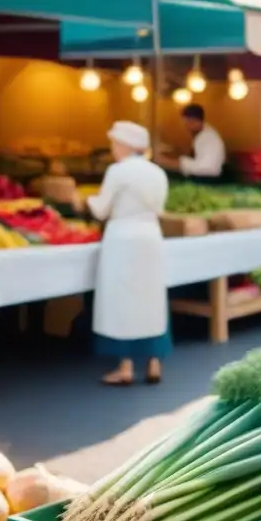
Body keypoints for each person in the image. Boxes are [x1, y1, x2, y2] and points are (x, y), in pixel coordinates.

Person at [85, 121, 171, 385]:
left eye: (114, 143)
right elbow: (159, 209)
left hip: (122, 238)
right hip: (151, 237)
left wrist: (85, 200)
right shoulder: (158, 173)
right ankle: (154, 363)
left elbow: (101, 210)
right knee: (151, 299)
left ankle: (125, 367)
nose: (113, 148)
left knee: (122, 301)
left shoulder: (117, 171)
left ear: (124, 145)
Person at [154, 104, 225, 181]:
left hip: (208, 181)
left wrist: (170, 163)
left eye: (187, 122)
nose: (186, 126)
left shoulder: (209, 137)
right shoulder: (202, 134)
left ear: (195, 121)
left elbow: (208, 168)